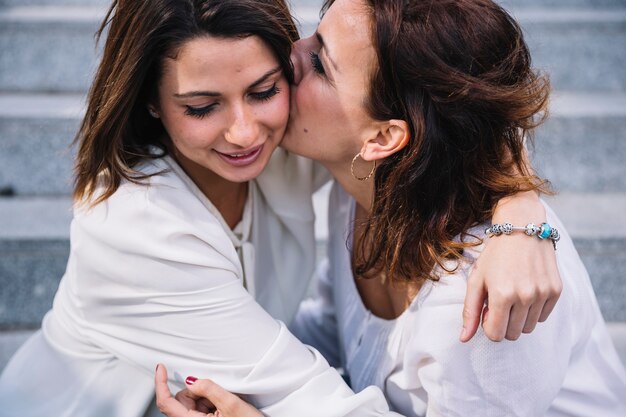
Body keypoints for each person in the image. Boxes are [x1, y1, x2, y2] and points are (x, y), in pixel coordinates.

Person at [0, 0, 562, 416]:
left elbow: (446, 115)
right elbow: (316, 401)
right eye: (201, 107)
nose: (244, 132)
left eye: (265, 90)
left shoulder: (282, 148)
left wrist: (521, 214)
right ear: (149, 101)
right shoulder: (133, 229)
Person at [155, 0, 626, 416]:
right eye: (315, 31)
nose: (290, 52)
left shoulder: (477, 310)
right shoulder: (362, 187)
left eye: (320, 62)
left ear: (383, 137)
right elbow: (337, 330)